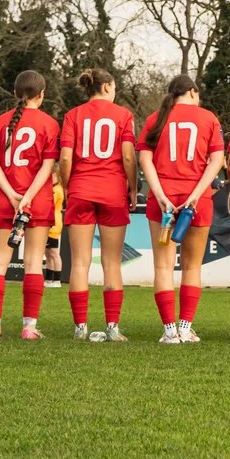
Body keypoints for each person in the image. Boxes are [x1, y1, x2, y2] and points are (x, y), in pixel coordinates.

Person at [137, 73, 223, 345]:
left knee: (162, 267)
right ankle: (185, 328)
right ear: (193, 92)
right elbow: (217, 161)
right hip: (197, 200)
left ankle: (169, 330)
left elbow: (144, 160)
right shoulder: (208, 118)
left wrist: (161, 195)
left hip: (162, 200)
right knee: (192, 267)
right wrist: (196, 195)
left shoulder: (155, 118)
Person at [60, 67, 139, 342]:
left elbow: (66, 158)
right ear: (107, 87)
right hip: (112, 191)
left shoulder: (73, 115)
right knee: (112, 263)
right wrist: (133, 188)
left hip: (81, 189)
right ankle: (112, 328)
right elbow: (128, 157)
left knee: (79, 263)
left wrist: (69, 186)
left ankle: (80, 328)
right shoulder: (124, 115)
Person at [0, 70, 59, 340]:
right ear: (42, 94)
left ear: (15, 93)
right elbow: (48, 167)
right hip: (37, 200)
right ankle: (28, 327)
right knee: (33, 264)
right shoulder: (49, 123)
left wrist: (12, 194)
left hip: (6, 200)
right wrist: (27, 196)